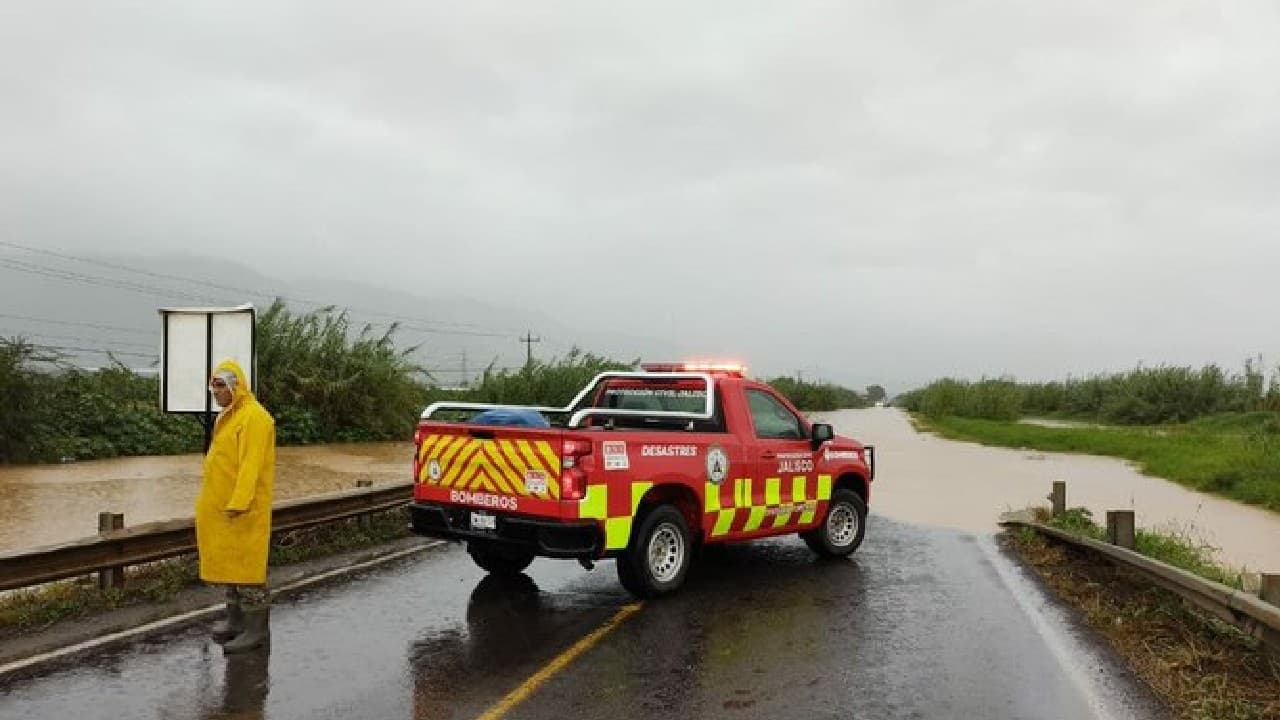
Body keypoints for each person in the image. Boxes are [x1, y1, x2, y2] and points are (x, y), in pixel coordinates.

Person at [198, 359, 276, 654]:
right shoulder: (229, 417)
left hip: (243, 510)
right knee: (231, 569)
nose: (214, 391)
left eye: (220, 385)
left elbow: (250, 466)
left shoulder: (255, 418)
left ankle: (256, 630)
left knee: (249, 572)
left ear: (236, 386)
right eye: (212, 385)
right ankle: (235, 622)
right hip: (221, 509)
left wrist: (239, 502)